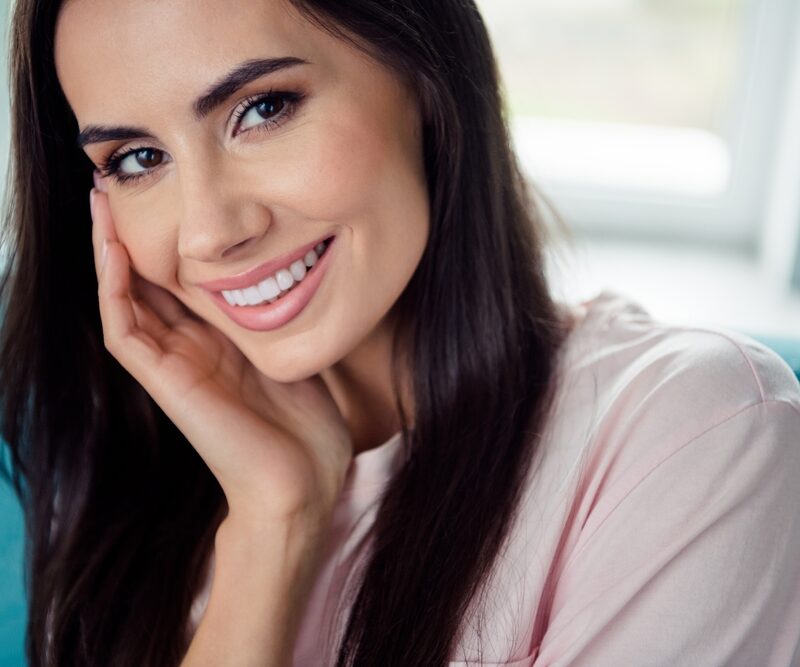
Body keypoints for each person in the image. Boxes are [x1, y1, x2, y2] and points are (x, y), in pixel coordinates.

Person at [1, 0, 798, 665]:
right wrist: (272, 528)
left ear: (422, 70)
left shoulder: (698, 430)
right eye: (138, 159)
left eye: (263, 108)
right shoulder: (134, 485)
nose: (209, 231)